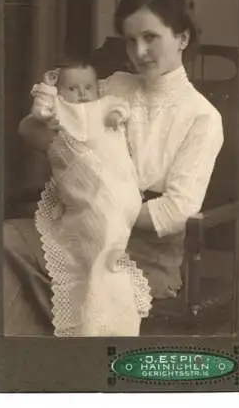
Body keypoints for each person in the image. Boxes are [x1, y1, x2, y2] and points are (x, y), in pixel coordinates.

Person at [9, 0, 223, 335]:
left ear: (182, 38)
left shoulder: (202, 116)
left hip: (142, 252)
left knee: (87, 291)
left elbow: (175, 212)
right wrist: (43, 114)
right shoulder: (115, 85)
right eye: (130, 39)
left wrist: (100, 208)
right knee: (2, 242)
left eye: (151, 37)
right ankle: (34, 369)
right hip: (77, 226)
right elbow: (33, 136)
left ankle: (72, 364)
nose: (139, 51)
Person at [24, 58, 151, 336]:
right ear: (61, 92)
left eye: (88, 87)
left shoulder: (104, 106)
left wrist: (117, 115)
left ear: (98, 89)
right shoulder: (58, 110)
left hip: (116, 181)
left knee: (113, 210)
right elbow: (38, 114)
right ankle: (99, 297)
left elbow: (121, 107)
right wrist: (48, 90)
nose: (82, 94)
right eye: (72, 88)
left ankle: (106, 288)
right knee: (95, 222)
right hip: (83, 187)